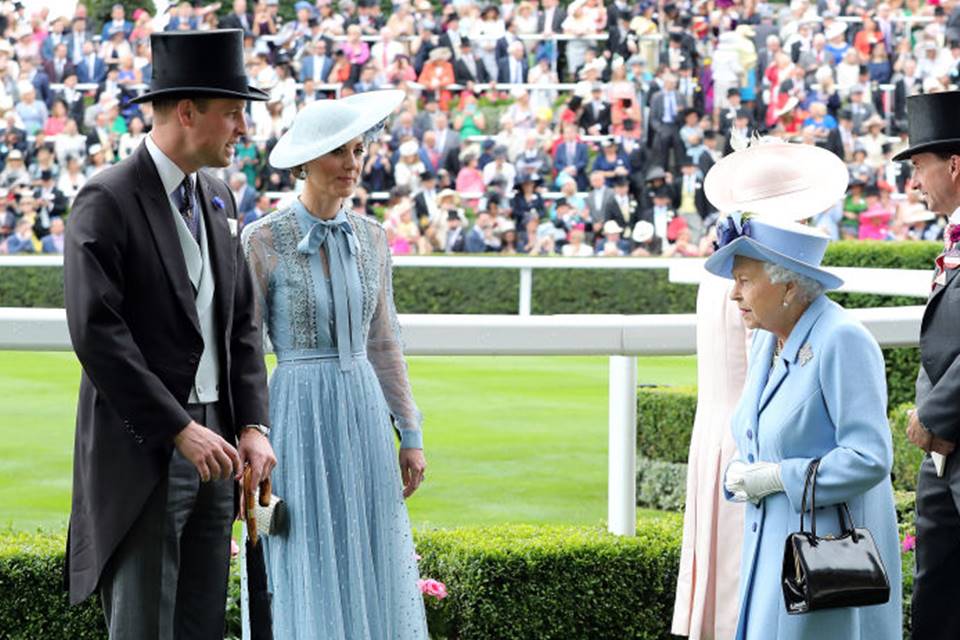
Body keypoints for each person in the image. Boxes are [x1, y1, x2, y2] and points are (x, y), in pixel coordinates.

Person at [62, 29, 276, 639]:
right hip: (148, 451)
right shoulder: (106, 199)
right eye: (233, 113)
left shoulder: (219, 197)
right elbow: (98, 333)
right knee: (144, 628)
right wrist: (179, 428)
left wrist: (253, 427)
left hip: (220, 446)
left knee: (202, 620)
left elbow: (240, 324)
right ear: (187, 112)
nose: (243, 128)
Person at [242, 89, 429, 639]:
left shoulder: (372, 237)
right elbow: (246, 347)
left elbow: (384, 338)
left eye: (358, 151)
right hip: (295, 411)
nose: (352, 164)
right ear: (306, 161)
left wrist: (410, 431)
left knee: (368, 542)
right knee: (301, 542)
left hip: (363, 408)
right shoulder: (261, 239)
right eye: (339, 153)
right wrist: (248, 432)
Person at [703, 143, 901, 640]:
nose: (734, 294)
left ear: (788, 286)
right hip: (771, 548)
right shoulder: (769, 341)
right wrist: (741, 471)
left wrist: (779, 477)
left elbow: (870, 458)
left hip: (826, 558)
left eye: (745, 281)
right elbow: (753, 431)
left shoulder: (842, 339)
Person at [894, 91, 960, 640]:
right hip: (942, 453)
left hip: (949, 434)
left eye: (919, 166)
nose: (914, 182)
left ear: (955, 165)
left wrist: (934, 414)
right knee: (935, 587)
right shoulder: (950, 236)